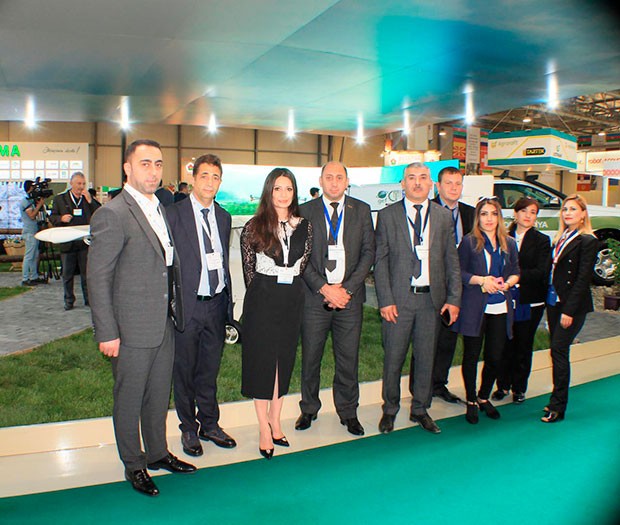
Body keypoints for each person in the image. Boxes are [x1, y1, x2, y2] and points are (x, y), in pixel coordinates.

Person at [87, 139, 195, 497]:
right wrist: (107, 331)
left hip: (163, 322)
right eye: (145, 163)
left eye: (158, 164)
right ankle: (133, 464)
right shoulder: (113, 213)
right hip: (130, 327)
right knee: (130, 398)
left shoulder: (160, 207)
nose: (153, 171)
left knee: (158, 395)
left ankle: (158, 453)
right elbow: (98, 278)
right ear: (127, 168)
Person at [374, 162, 461, 435]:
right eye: (411, 177)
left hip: (430, 302)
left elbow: (451, 261)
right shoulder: (387, 215)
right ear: (403, 184)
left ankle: (421, 409)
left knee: (425, 358)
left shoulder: (443, 216)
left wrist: (454, 298)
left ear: (431, 184)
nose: (417, 182)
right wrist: (385, 300)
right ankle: (390, 409)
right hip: (398, 301)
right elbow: (380, 261)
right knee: (393, 359)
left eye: (423, 177)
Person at [296, 161, 375, 436]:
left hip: (349, 300)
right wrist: (324, 288)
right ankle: (309, 408)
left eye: (339, 177)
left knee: (348, 358)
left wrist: (346, 289)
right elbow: (300, 256)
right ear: (320, 180)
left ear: (347, 181)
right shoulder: (304, 211)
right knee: (311, 357)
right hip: (314, 299)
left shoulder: (361, 210)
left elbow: (368, 253)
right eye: (328, 177)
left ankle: (348, 411)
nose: (333, 182)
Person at [166, 154, 237, 457]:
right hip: (188, 306)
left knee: (209, 369)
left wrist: (228, 306)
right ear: (193, 179)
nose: (210, 182)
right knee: (184, 371)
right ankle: (188, 428)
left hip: (216, 304)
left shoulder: (223, 216)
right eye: (204, 176)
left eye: (215, 177)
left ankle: (209, 424)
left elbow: (221, 259)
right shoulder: (173, 214)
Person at [240, 168, 312, 459]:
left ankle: (276, 419)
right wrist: (265, 291)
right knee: (263, 362)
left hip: (292, 298)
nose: (283, 194)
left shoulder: (304, 225)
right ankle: (263, 427)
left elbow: (303, 263)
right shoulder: (254, 226)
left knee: (284, 359)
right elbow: (248, 271)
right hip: (262, 299)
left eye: (289, 189)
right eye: (278, 188)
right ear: (268, 191)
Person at [453, 197, 520, 424]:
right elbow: (459, 272)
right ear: (478, 218)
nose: (489, 218)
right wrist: (481, 280)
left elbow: (516, 270)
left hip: (500, 306)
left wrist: (507, 284)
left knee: (495, 356)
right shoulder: (469, 242)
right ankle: (471, 399)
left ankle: (483, 396)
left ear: (499, 217)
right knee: (471, 355)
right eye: (484, 214)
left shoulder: (509, 243)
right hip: (475, 307)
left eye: (493, 213)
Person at [542, 194, 598, 423]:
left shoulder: (588, 241)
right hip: (554, 302)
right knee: (556, 351)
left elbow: (582, 279)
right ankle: (556, 399)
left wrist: (569, 311)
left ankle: (558, 406)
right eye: (565, 209)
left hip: (571, 306)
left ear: (583, 214)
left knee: (559, 350)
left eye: (573, 209)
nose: (567, 213)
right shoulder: (562, 237)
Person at [494, 198, 551, 403]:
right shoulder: (502, 236)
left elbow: (541, 271)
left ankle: (519, 388)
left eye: (533, 212)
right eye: (524, 211)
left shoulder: (542, 240)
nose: (528, 215)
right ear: (515, 213)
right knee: (504, 344)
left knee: (523, 345)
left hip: (530, 301)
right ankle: (502, 385)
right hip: (503, 299)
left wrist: (514, 276)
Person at [429, 166, 475, 403]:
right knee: (427, 339)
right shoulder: (427, 210)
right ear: (438, 186)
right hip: (431, 285)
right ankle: (421, 388)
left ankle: (439, 384)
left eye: (458, 183)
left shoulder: (470, 214)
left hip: (459, 286)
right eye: (448, 183)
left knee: (448, 338)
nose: (454, 188)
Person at [49, 171, 101, 310]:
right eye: (78, 183)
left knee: (86, 274)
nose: (81, 187)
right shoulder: (60, 199)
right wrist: (61, 218)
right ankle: (69, 300)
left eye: (83, 184)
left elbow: (100, 213)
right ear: (71, 184)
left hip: (84, 242)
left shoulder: (87, 199)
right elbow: (52, 217)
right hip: (68, 242)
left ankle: (88, 299)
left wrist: (90, 201)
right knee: (67, 274)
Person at [20, 180, 47, 286]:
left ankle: (34, 276)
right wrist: (40, 205)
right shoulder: (25, 201)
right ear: (30, 188)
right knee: (29, 256)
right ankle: (25, 278)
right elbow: (31, 215)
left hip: (34, 231)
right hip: (29, 232)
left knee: (35, 255)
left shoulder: (30, 200)